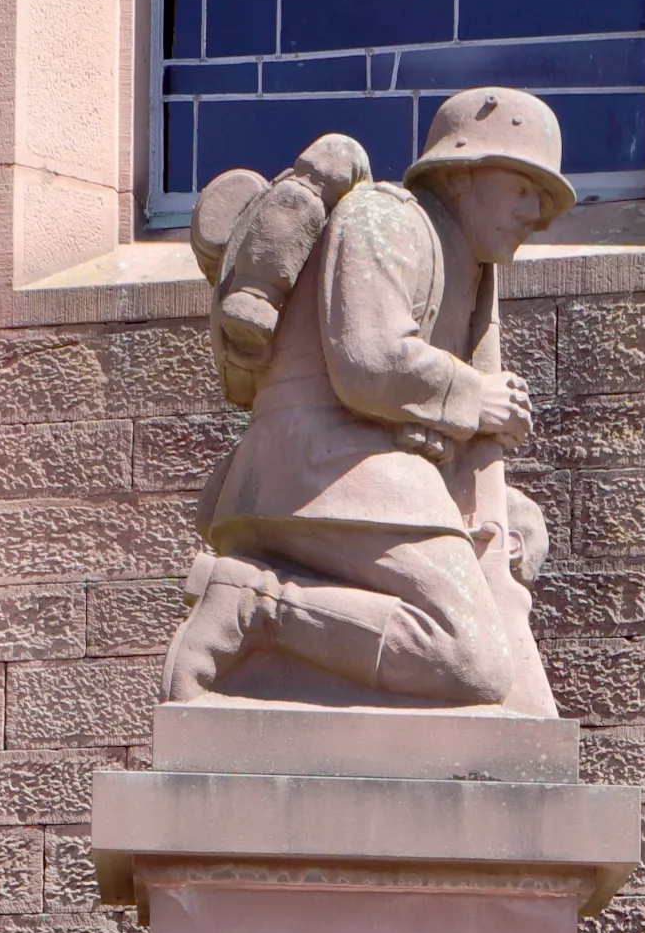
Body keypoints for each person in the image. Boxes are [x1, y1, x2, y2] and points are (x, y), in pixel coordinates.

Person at [163, 87, 573, 714]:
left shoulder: (470, 268)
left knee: (507, 668)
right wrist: (476, 395)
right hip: (321, 473)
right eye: (523, 188)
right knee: (468, 660)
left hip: (375, 478)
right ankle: (256, 603)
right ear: (462, 175)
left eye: (543, 200)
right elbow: (367, 362)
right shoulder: (387, 218)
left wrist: (503, 510)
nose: (536, 214)